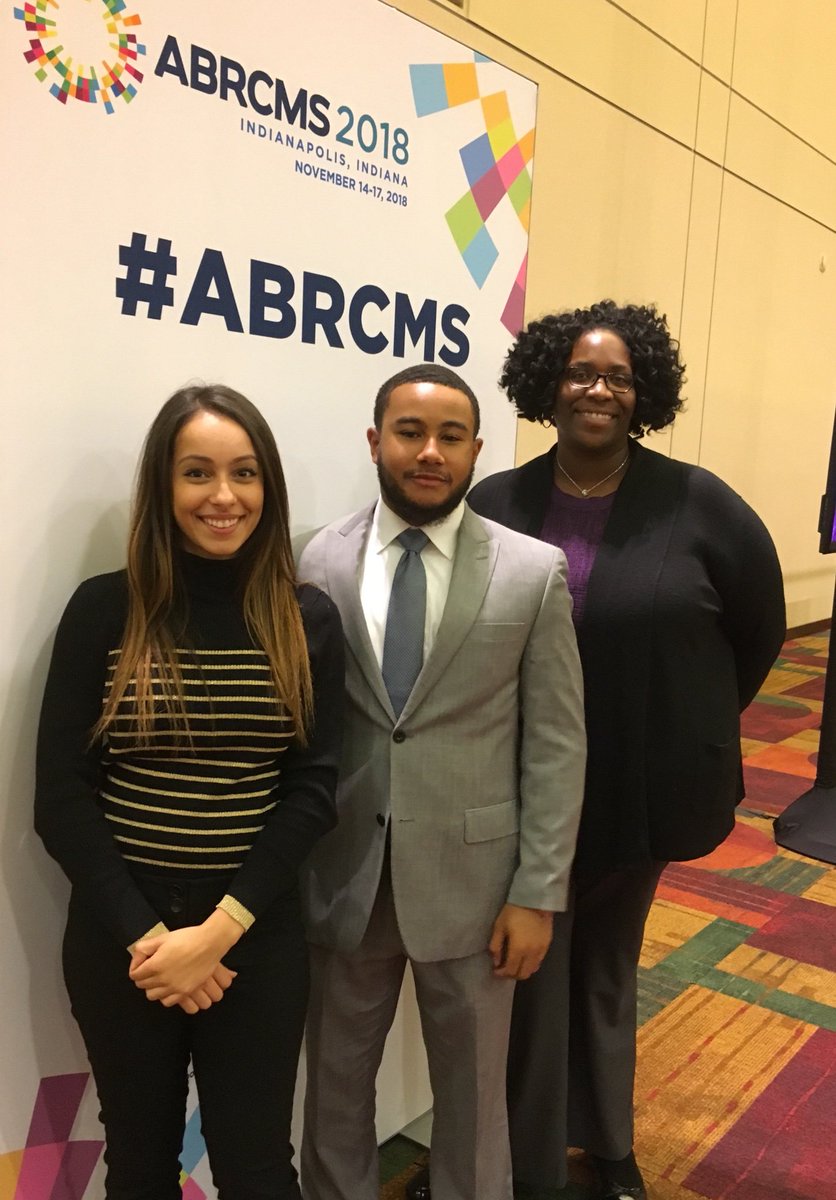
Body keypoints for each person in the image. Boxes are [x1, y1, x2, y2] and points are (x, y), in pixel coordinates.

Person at [463, 301, 786, 1200]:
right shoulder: (497, 503)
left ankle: (607, 1148)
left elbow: (759, 630)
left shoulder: (700, 502)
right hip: (521, 789)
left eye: (617, 376)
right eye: (577, 373)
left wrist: (692, 724)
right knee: (522, 976)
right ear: (546, 386)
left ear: (643, 392)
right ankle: (516, 1162)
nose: (597, 389)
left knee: (603, 967)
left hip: (639, 794)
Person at [35, 384, 344, 1200]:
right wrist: (151, 938)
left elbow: (313, 791)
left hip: (254, 934)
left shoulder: (304, 618)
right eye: (197, 473)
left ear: (267, 488)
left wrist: (217, 932)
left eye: (244, 473)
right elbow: (61, 796)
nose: (223, 496)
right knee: (138, 1163)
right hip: (121, 942)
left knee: (255, 1168)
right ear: (162, 487)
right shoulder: (106, 609)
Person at [297, 363, 587, 1200]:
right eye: (410, 432)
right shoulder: (318, 558)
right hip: (344, 874)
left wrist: (538, 891)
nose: (429, 452)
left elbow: (558, 745)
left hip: (479, 887)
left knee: (471, 1100)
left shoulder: (532, 572)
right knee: (336, 1094)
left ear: (475, 449)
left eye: (450, 436)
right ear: (375, 441)